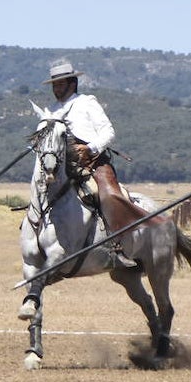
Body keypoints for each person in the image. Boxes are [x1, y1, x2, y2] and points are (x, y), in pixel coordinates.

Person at [42, 62, 144, 268]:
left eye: (60, 84)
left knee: (109, 195)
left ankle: (118, 247)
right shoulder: (51, 110)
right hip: (62, 167)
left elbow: (108, 132)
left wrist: (90, 148)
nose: (56, 89)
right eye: (54, 85)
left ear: (72, 83)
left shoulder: (87, 103)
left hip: (93, 163)